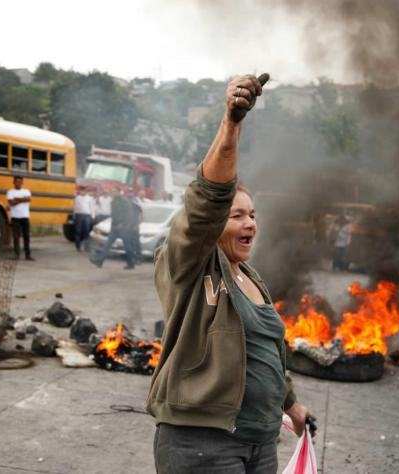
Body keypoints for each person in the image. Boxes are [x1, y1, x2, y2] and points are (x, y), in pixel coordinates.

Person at [147, 74, 314, 474]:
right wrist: (232, 123)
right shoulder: (190, 264)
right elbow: (207, 200)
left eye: (252, 215)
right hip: (203, 443)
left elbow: (263, 356)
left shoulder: (251, 278)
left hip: (260, 442)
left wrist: (292, 407)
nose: (250, 224)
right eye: (236, 215)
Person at [90, 188, 138, 269]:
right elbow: (113, 214)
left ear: (119, 192)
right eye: (112, 192)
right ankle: (99, 261)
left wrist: (123, 224)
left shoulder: (125, 201)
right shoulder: (113, 201)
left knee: (127, 246)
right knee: (107, 244)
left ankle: (131, 263)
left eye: (115, 192)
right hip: (114, 226)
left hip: (123, 227)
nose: (113, 193)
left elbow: (129, 215)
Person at [6, 176, 34, 261]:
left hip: (25, 217)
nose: (18, 183)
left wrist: (17, 199)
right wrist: (23, 199)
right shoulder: (10, 192)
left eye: (20, 182)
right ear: (13, 182)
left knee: (26, 236)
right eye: (16, 181)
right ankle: (16, 255)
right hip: (15, 218)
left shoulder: (27, 191)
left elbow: (29, 199)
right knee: (16, 237)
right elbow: (11, 203)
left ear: (22, 182)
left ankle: (27, 255)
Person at [73, 187, 95, 251]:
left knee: (86, 231)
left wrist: (93, 217)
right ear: (80, 191)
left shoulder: (90, 198)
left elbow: (92, 207)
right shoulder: (77, 198)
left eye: (84, 191)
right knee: (78, 231)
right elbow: (74, 207)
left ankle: (86, 246)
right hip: (79, 215)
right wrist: (74, 215)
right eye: (82, 191)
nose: (83, 192)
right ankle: (78, 246)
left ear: (86, 191)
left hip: (87, 216)